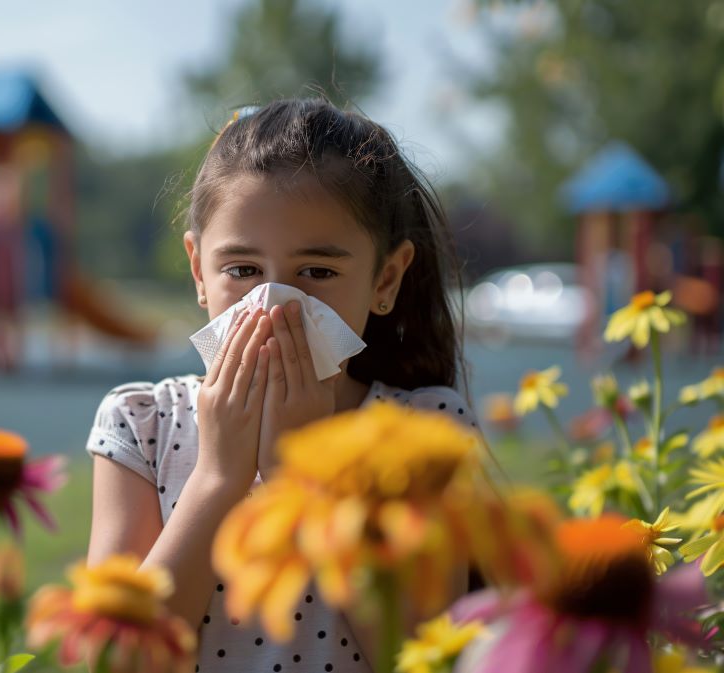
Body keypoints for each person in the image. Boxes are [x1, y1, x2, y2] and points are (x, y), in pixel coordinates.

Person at [84, 98, 478, 673]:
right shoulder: (141, 423)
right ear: (198, 270)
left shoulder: (423, 430)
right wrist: (218, 478)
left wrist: (306, 478)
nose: (273, 304)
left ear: (385, 279)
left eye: (317, 272)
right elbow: (118, 660)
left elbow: (429, 657)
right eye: (242, 270)